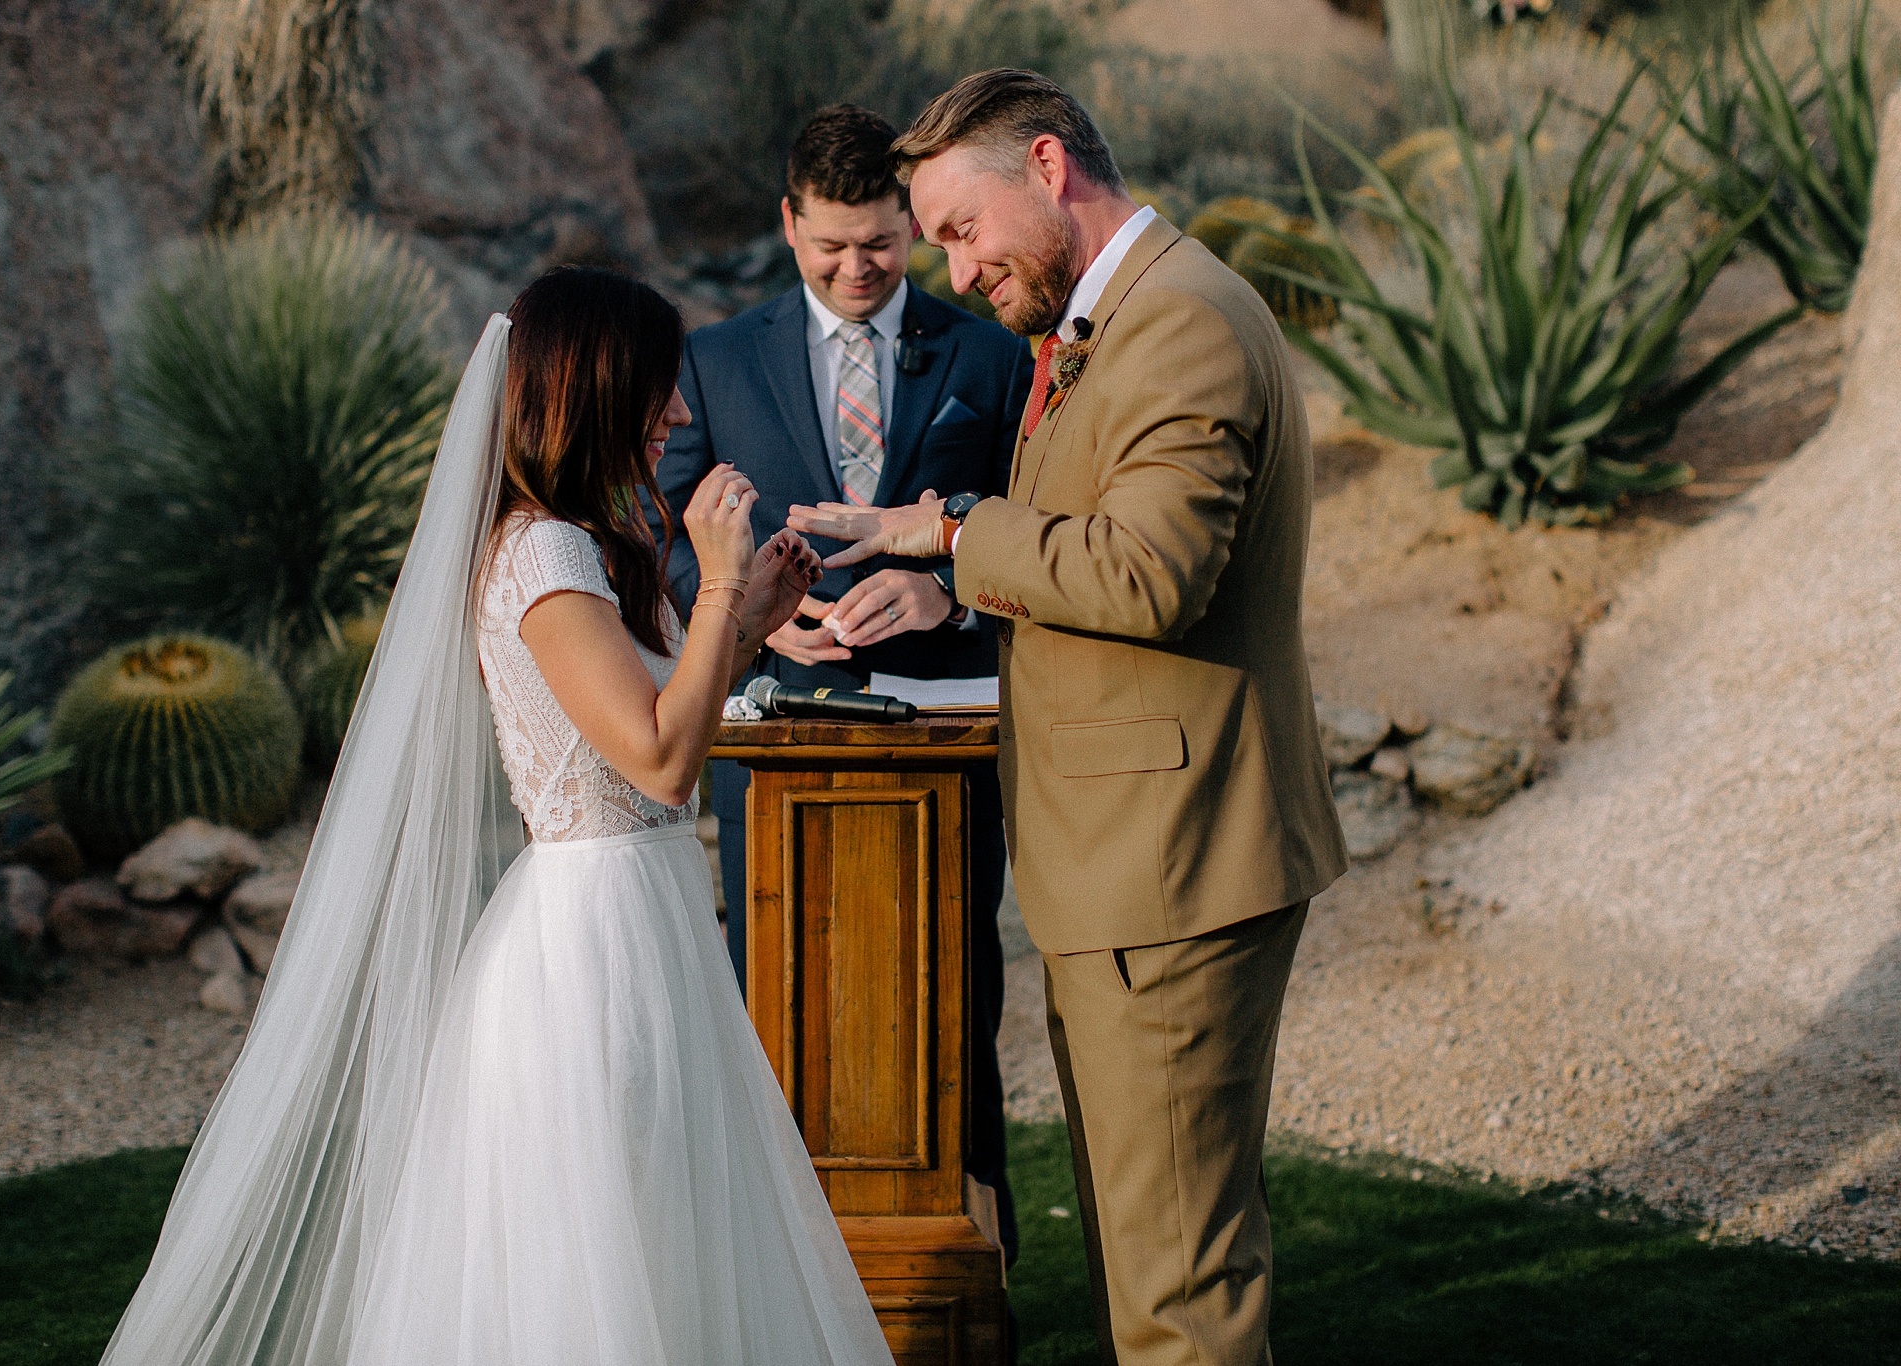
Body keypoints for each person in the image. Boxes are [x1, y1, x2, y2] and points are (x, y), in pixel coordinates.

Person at [99, 268, 894, 1366]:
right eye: (658, 390)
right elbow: (661, 763)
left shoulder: (574, 542)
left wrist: (744, 620)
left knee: (659, 1221)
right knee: (603, 1242)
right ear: (595, 393)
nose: (673, 414)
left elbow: (650, 719)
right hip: (594, 941)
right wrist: (712, 584)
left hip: (636, 915)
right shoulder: (543, 552)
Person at [789, 71, 1349, 1366]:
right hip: (1127, 864)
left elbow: (1148, 574)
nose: (956, 269)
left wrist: (948, 531)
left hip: (1171, 864)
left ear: (1046, 168)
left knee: (1181, 1301)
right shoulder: (1106, 326)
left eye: (961, 230)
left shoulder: (1182, 324)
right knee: (1144, 1267)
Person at [656, 104, 1032, 1260]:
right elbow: (664, 542)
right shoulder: (713, 360)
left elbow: (1030, 529)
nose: (858, 267)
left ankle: (967, 1284)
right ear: (787, 224)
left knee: (949, 1012)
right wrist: (758, 621)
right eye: (830, 246)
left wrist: (951, 591)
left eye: (881, 242)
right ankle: (764, 1278)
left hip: (945, 748)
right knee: (768, 1018)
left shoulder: (988, 355)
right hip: (773, 745)